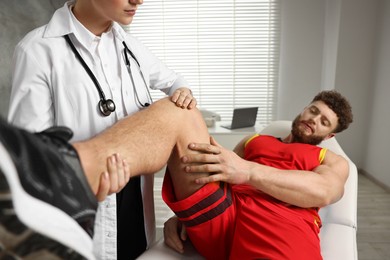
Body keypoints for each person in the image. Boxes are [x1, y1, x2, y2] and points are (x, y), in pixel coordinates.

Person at [7, 0, 196, 258]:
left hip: (138, 213)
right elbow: (31, 160)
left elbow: (174, 81)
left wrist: (182, 93)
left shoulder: (129, 45)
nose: (138, 0)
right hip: (87, 212)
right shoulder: (38, 50)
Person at [0, 96, 209, 259]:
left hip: (233, 225)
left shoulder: (128, 48)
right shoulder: (37, 48)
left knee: (181, 113)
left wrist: (243, 172)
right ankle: (72, 176)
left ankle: (72, 176)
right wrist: (183, 217)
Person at [163, 90, 354, 259]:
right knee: (182, 112)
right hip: (225, 214)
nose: (314, 119)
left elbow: (325, 190)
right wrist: (180, 217)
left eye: (324, 122)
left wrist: (249, 171)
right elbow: (222, 172)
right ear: (304, 109)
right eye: (313, 111)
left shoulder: (331, 159)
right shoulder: (254, 140)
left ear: (329, 136)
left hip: (280, 223)